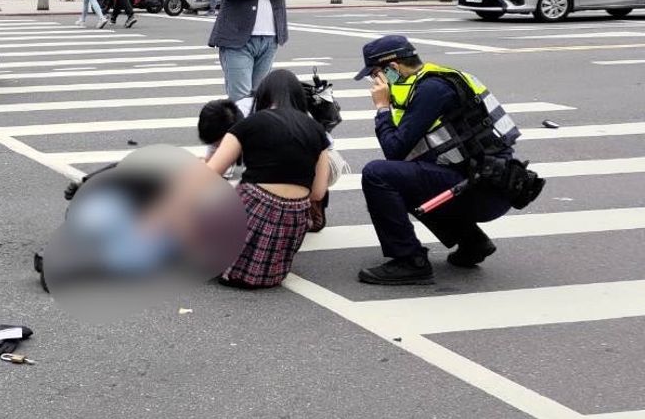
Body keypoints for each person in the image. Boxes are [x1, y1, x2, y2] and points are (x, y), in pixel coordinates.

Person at [353, 35, 529, 286]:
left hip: (482, 191)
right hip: (483, 183)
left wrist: (382, 108)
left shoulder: (432, 90)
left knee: (377, 174)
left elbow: (394, 150)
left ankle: (410, 261)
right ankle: (472, 242)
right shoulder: (432, 80)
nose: (374, 82)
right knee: (406, 175)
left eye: (375, 75)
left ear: (392, 68)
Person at [205, 69, 331, 288]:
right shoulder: (317, 130)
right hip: (294, 218)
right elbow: (318, 192)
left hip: (253, 205)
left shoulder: (249, 124)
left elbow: (210, 174)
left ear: (263, 95)